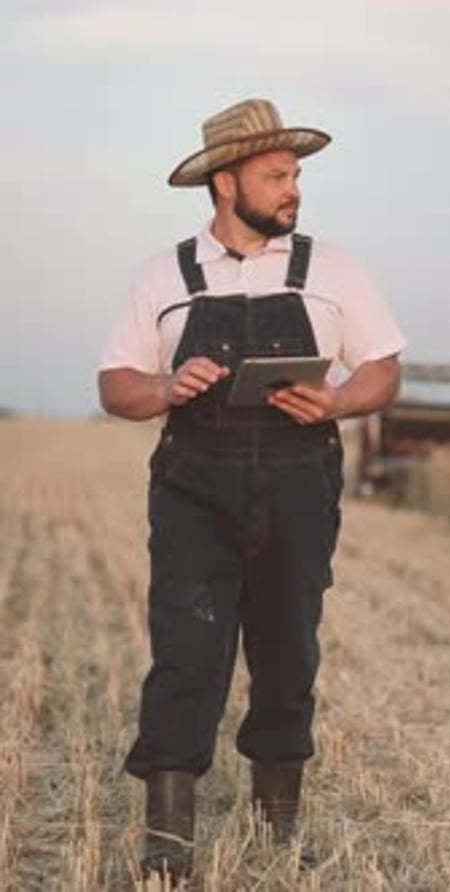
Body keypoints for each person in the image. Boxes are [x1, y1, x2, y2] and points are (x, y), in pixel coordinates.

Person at [98, 97, 406, 886]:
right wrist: (166, 387)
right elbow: (115, 385)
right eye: (276, 174)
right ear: (226, 182)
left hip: (300, 487)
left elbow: (381, 368)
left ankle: (278, 833)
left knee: (287, 655)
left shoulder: (334, 269)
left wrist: (338, 401)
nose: (292, 187)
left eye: (295, 173)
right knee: (186, 656)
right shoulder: (162, 274)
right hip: (193, 489)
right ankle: (168, 844)